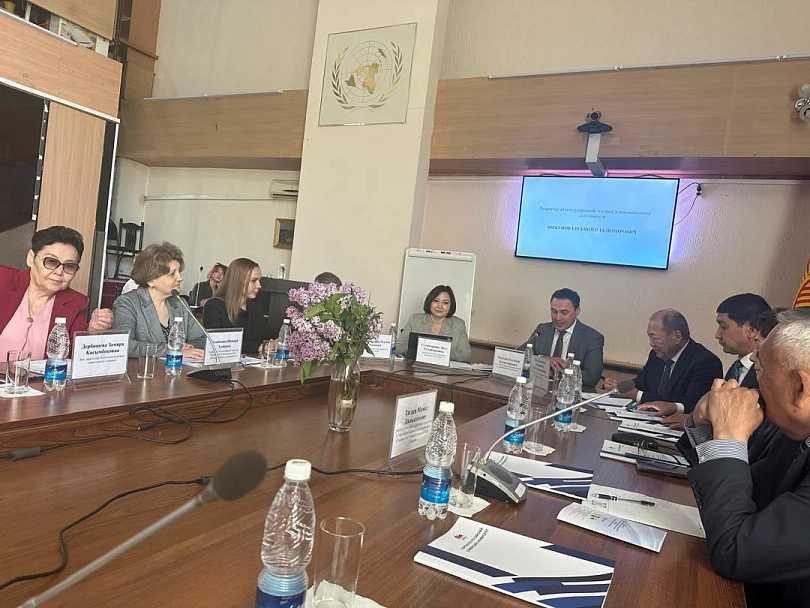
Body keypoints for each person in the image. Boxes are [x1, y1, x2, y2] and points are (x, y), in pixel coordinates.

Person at [684, 318, 810, 607]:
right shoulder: (793, 434)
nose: (752, 385)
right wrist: (709, 427)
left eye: (761, 370)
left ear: (800, 387)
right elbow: (742, 494)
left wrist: (729, 436)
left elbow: (735, 551)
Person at [646, 294, 770, 429]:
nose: (717, 335)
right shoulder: (737, 368)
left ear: (751, 330)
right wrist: (693, 422)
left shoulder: (766, 374)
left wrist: (694, 424)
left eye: (723, 327)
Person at [0, 225, 113, 359]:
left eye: (69, 266)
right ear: (31, 258)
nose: (59, 272)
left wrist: (91, 332)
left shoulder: (77, 303)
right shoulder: (3, 279)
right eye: (51, 261)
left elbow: (72, 357)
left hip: (41, 374)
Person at [604, 309, 722, 413]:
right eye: (649, 337)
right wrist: (620, 386)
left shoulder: (705, 362)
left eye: (655, 338)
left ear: (677, 337)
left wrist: (639, 396)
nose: (651, 344)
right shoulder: (657, 355)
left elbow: (691, 404)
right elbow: (642, 382)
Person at [112, 242, 206, 358]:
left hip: (177, 368)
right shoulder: (127, 303)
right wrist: (173, 350)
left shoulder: (180, 303)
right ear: (151, 280)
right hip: (142, 369)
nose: (180, 278)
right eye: (172, 274)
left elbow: (203, 338)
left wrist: (190, 346)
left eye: (179, 272)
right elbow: (125, 345)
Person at [520, 288, 604, 387]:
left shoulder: (592, 338)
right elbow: (519, 357)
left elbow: (591, 378)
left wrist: (556, 371)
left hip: (570, 393)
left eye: (564, 313)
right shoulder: (542, 330)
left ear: (577, 311)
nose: (558, 317)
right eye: (554, 311)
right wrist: (542, 359)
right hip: (538, 390)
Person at [202, 258, 273, 354]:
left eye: (259, 280)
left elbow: (268, 335)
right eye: (253, 280)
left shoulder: (256, 308)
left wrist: (275, 341)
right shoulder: (214, 306)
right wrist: (258, 347)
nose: (259, 285)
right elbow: (219, 342)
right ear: (238, 281)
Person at [396, 285, 471, 363]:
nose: (440, 306)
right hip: (417, 367)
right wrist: (422, 351)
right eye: (436, 301)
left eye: (445, 303)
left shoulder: (459, 324)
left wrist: (439, 354)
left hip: (444, 369)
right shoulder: (415, 319)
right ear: (429, 303)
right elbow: (399, 347)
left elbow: (466, 355)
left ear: (450, 306)